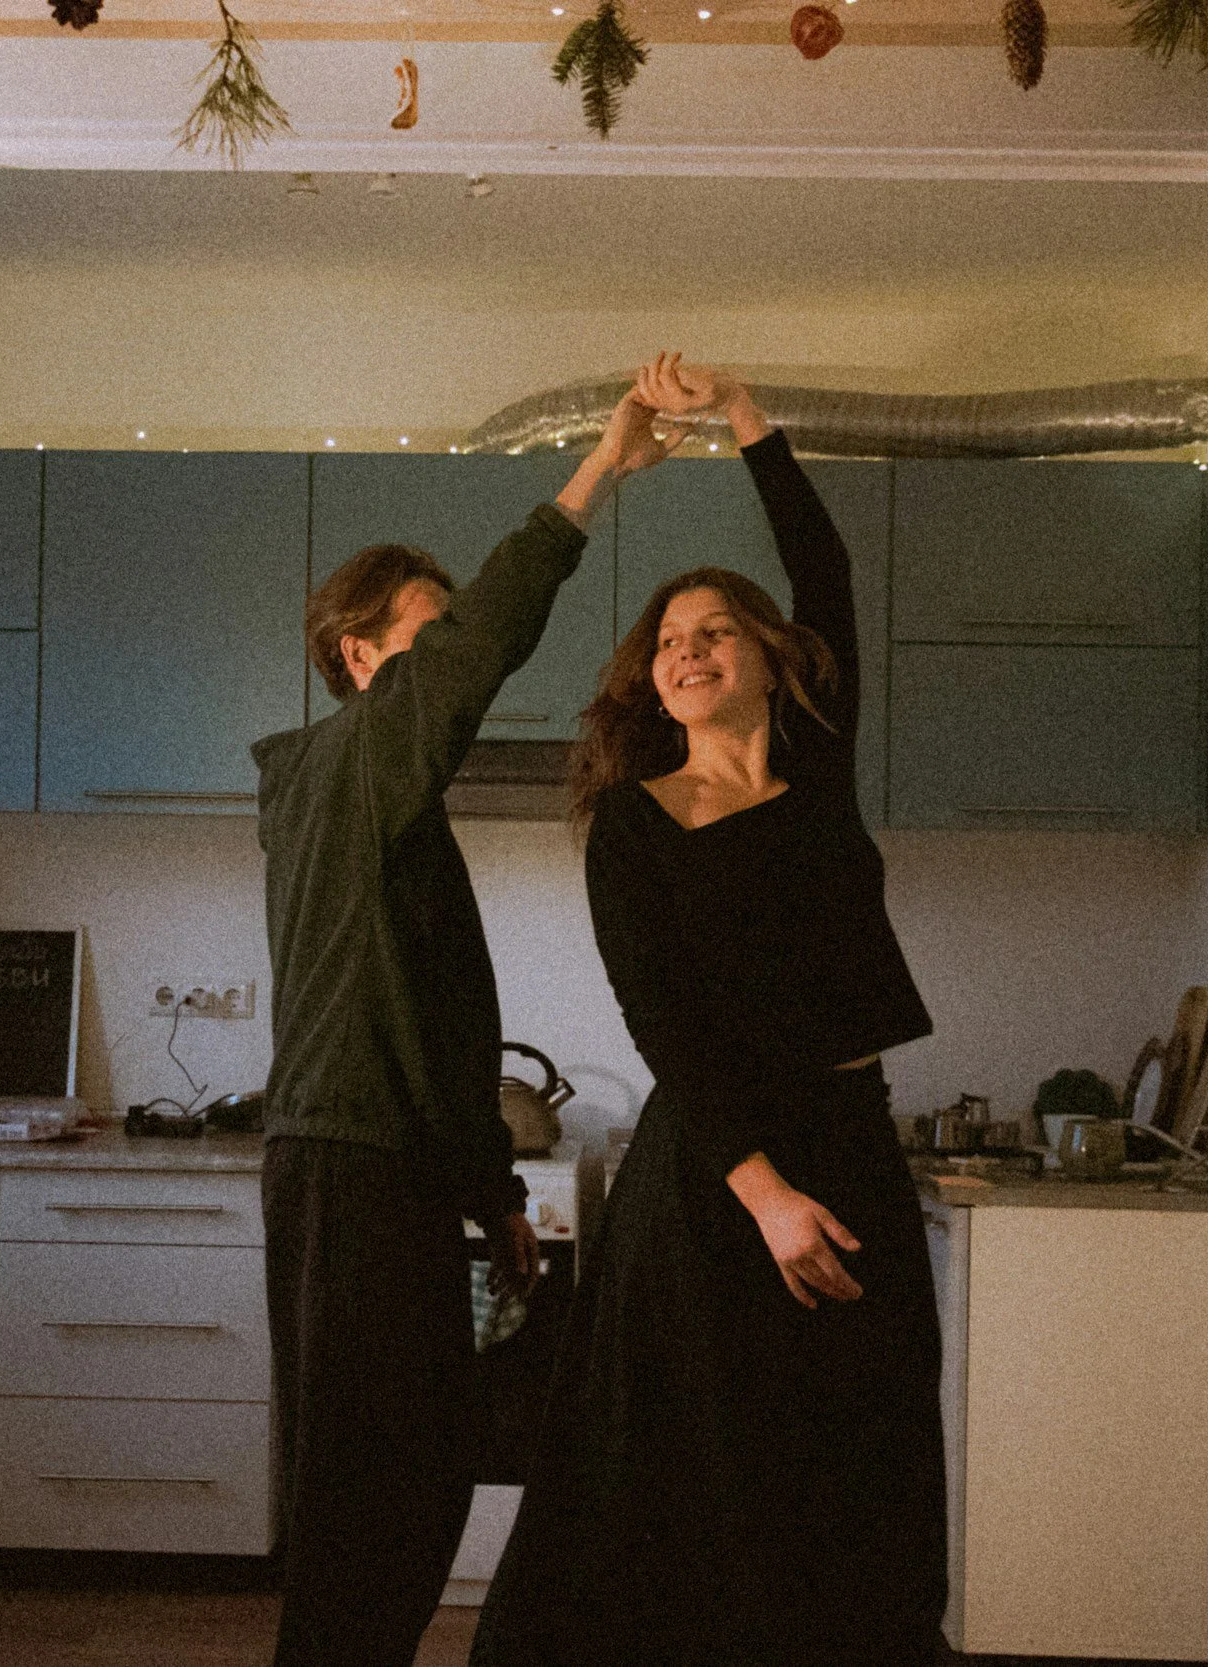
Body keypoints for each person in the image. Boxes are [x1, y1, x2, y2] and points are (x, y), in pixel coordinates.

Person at [472, 359, 947, 1666]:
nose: (687, 649)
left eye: (713, 631)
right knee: (706, 1463)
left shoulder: (817, 756)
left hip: (849, 1124)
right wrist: (768, 1194)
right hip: (719, 1166)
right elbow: (662, 1016)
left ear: (767, 657)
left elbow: (825, 569)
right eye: (668, 640)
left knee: (870, 1429)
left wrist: (747, 420)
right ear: (651, 679)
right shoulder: (632, 820)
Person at [250, 380, 684, 1667]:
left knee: (420, 1479)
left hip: (389, 1175)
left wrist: (493, 1196)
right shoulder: (348, 763)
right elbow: (489, 636)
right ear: (360, 657)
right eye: (427, 642)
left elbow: (439, 1030)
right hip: (346, 1168)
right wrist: (599, 467)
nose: (457, 667)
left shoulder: (391, 805)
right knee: (361, 1504)